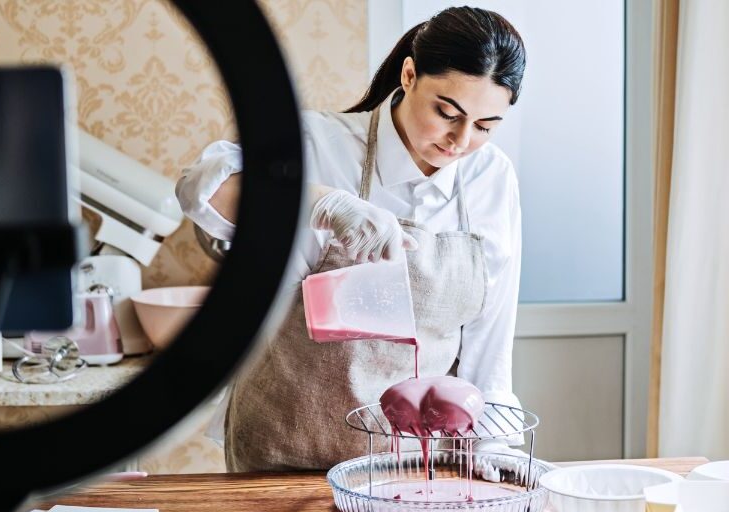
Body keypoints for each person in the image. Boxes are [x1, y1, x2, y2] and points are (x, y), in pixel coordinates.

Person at [176, 6, 527, 473]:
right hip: (287, 453)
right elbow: (198, 187)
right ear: (409, 74)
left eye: (485, 127)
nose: (459, 141)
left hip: (411, 465)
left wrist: (491, 446)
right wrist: (319, 201)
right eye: (446, 112)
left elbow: (491, 334)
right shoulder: (320, 143)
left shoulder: (492, 177)